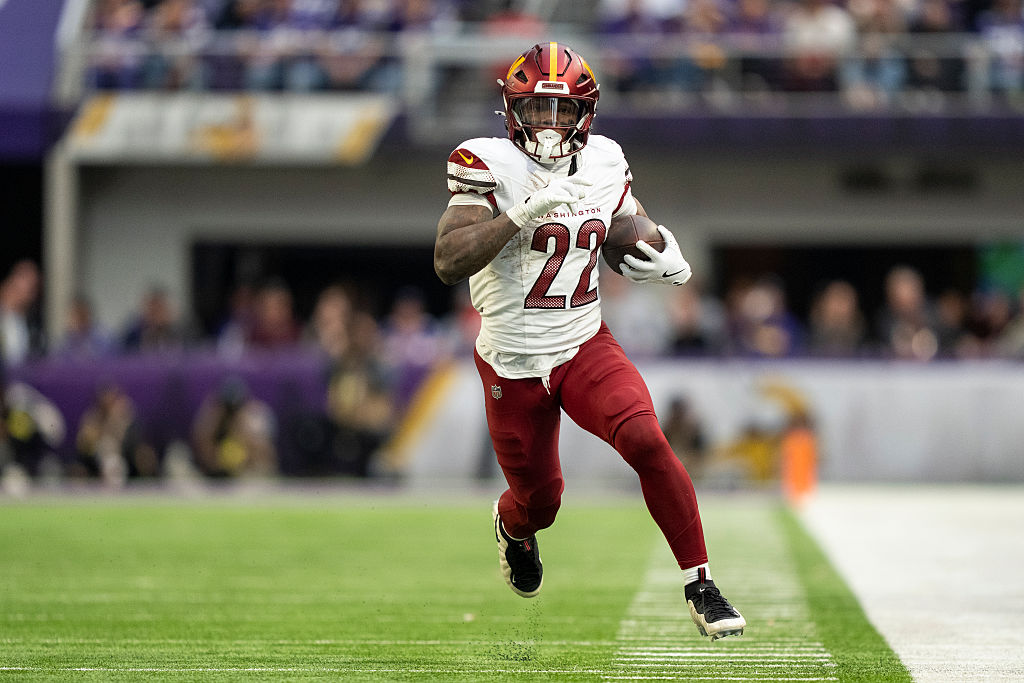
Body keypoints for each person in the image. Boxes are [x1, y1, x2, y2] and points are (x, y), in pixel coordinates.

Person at [433, 42, 745, 640]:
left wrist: (659, 247)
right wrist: (520, 216)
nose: (550, 124)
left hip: (581, 342)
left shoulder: (604, 160)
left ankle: (700, 582)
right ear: (512, 110)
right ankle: (512, 524)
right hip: (512, 361)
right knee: (541, 501)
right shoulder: (485, 162)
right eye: (537, 109)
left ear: (586, 115)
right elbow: (448, 260)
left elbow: (627, 224)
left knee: (646, 438)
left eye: (562, 110)